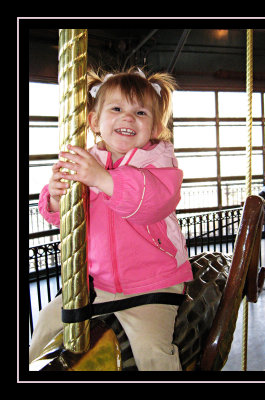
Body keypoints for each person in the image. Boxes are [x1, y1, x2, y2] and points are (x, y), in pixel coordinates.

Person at [29, 66, 193, 371]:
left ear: (155, 127)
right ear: (94, 121)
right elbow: (65, 218)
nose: (128, 117)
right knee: (46, 324)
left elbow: (152, 203)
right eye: (116, 108)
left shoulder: (162, 166)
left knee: (153, 351)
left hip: (151, 285)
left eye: (141, 112)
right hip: (97, 283)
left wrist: (101, 179)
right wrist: (54, 196)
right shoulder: (87, 162)